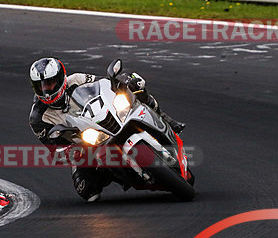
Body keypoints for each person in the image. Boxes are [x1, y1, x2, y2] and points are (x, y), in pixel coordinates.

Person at [28, 57, 185, 202]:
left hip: (107, 117)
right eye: (40, 86)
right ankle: (121, 175)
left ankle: (167, 121)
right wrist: (69, 151)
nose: (46, 90)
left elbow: (104, 84)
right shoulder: (38, 118)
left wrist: (119, 81)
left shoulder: (76, 79)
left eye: (50, 83)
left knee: (135, 85)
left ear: (61, 78)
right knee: (88, 192)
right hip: (85, 144)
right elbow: (54, 151)